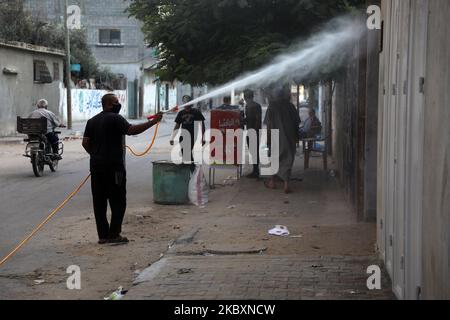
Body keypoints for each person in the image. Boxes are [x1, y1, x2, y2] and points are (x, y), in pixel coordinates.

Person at [82, 93, 163, 244]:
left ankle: (103, 236)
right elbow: (131, 130)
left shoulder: (92, 121)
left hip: (96, 168)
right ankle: (114, 235)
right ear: (109, 104)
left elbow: (85, 142)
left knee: (99, 202)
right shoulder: (115, 118)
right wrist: (153, 122)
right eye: (116, 102)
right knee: (118, 200)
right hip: (114, 168)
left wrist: (95, 155)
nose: (118, 105)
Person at [263, 85, 300, 194]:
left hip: (275, 135)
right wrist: (297, 137)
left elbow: (268, 125)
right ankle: (286, 185)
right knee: (288, 160)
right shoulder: (291, 106)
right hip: (289, 136)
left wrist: (268, 138)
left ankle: (272, 182)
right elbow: (296, 123)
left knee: (274, 159)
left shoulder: (272, 107)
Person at [170, 95, 206, 163]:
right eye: (184, 101)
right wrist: (172, 137)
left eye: (187, 101)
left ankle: (191, 169)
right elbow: (177, 126)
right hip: (183, 136)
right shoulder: (181, 113)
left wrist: (203, 137)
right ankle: (192, 168)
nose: (185, 103)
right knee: (185, 153)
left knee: (187, 153)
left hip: (192, 136)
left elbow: (202, 125)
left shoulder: (196, 112)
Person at [243, 89, 262, 178]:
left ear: (245, 97)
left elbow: (258, 120)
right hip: (250, 131)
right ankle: (255, 170)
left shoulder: (255, 106)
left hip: (254, 132)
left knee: (255, 151)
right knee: (252, 151)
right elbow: (248, 119)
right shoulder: (248, 106)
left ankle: (256, 171)